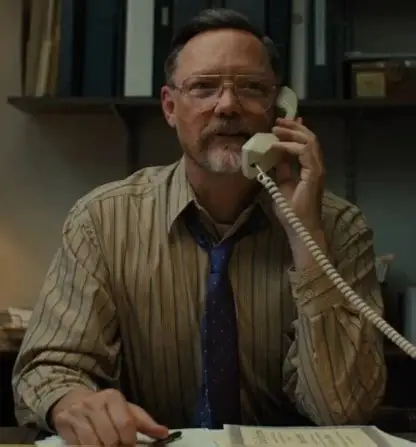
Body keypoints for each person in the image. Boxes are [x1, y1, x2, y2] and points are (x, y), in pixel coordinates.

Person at [12, 8, 386, 446]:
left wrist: (306, 237)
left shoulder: (338, 227)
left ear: (280, 108)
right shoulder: (102, 219)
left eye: (251, 87)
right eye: (204, 87)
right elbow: (49, 366)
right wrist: (72, 402)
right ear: (170, 107)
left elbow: (342, 410)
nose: (227, 106)